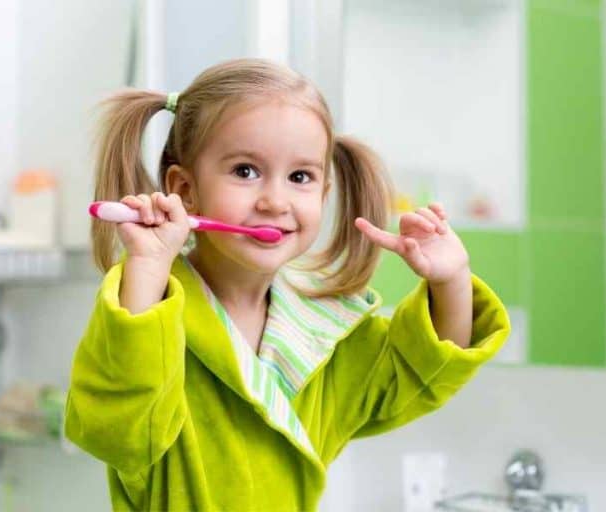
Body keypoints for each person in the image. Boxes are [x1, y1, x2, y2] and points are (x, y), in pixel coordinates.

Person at [65, 58, 510, 512]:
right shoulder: (150, 305)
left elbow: (419, 371)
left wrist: (451, 280)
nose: (275, 201)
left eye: (300, 177)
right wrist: (148, 265)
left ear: (323, 193)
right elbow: (115, 430)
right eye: (245, 171)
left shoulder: (325, 332)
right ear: (185, 189)